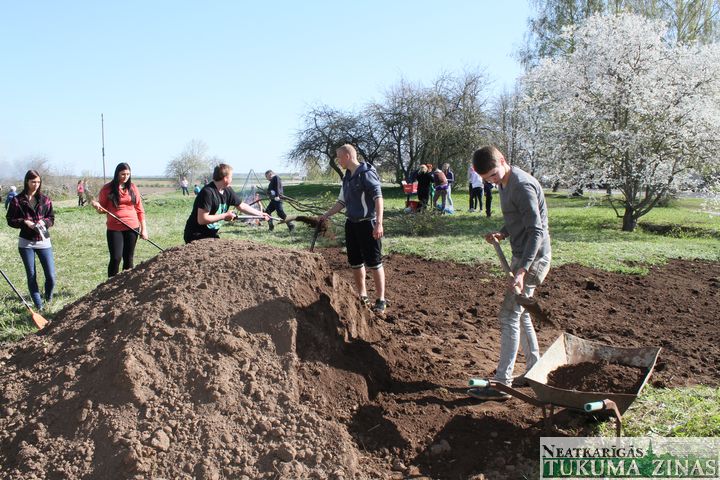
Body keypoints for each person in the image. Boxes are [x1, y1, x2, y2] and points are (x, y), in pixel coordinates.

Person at [469, 145, 551, 401]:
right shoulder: (504, 182)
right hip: (522, 256)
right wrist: (503, 233)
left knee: (508, 316)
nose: (492, 181)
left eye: (493, 175)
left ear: (503, 160)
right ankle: (534, 371)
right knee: (521, 315)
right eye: (486, 179)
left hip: (533, 259)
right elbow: (518, 218)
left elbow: (536, 231)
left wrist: (523, 270)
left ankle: (502, 384)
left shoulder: (522, 185)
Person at [319, 144, 387, 314]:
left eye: (339, 157)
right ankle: (363, 295)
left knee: (374, 262)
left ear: (347, 156)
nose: (338, 161)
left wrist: (379, 223)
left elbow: (378, 198)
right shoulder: (347, 177)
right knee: (355, 262)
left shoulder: (366, 173)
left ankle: (381, 300)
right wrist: (326, 215)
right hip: (351, 224)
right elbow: (341, 202)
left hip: (368, 223)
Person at [5, 170, 56, 310]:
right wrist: (24, 222)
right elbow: (10, 220)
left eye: (38, 182)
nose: (36, 184)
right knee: (32, 275)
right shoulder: (17, 200)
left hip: (43, 241)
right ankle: (39, 306)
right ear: (27, 181)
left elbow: (51, 218)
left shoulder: (45, 199)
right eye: (33, 182)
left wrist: (44, 222)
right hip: (26, 243)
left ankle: (48, 300)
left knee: (51, 276)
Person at [184, 163, 269, 243]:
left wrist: (260, 214)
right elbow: (202, 220)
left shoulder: (228, 190)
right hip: (196, 235)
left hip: (211, 234)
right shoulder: (207, 192)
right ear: (225, 179)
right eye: (231, 177)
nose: (232, 179)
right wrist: (224, 216)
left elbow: (241, 206)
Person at [91, 163, 148, 277]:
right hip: (114, 228)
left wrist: (144, 229)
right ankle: (110, 284)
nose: (125, 177)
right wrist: (97, 207)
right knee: (116, 258)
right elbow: (103, 210)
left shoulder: (133, 188)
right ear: (117, 174)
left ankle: (126, 284)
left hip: (132, 227)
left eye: (128, 174)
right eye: (123, 174)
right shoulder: (107, 189)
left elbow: (140, 209)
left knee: (128, 258)